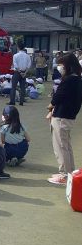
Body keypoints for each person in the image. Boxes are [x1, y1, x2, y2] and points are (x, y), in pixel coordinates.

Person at [46, 53, 82, 185]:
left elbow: (57, 98)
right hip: (68, 116)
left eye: (61, 65)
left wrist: (49, 108)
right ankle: (70, 172)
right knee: (66, 146)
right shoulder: (77, 78)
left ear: (67, 66)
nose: (59, 67)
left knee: (61, 146)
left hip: (62, 116)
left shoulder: (69, 80)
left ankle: (64, 175)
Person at [8, 42, 31, 106]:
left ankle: (12, 101)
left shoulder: (15, 55)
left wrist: (20, 72)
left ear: (18, 47)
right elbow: (29, 65)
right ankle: (21, 101)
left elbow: (15, 65)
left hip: (17, 72)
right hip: (24, 72)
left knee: (13, 87)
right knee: (22, 87)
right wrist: (24, 73)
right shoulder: (27, 56)